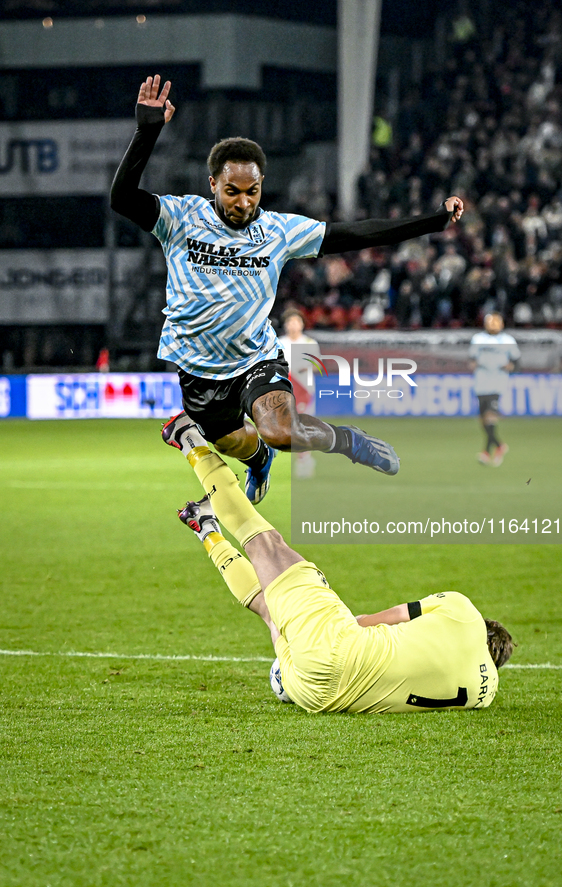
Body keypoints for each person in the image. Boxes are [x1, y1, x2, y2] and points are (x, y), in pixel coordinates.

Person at [111, 74, 464, 503]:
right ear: (212, 186)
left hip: (256, 358)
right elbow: (123, 198)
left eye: (253, 192)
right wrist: (146, 134)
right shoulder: (180, 218)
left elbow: (356, 235)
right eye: (232, 192)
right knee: (234, 445)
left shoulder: (279, 229)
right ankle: (258, 461)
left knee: (280, 431)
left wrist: (434, 220)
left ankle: (347, 441)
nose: (244, 202)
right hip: (198, 369)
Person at [164, 414, 514, 714]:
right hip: (313, 695)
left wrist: (338, 615)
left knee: (264, 541)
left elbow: (375, 620)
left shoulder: (465, 614)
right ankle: (205, 527)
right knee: (274, 610)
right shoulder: (485, 694)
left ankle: (186, 436)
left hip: (334, 650)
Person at [468, 313, 521, 466]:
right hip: (481, 381)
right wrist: (473, 363)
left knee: (490, 415)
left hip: (497, 381)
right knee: (483, 419)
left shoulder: (508, 341)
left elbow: (517, 361)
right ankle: (496, 447)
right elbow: (472, 358)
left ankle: (491, 449)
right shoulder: (478, 339)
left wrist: (512, 367)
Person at [277, 309, 320, 479]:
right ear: (286, 325)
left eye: (296, 321)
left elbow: (317, 366)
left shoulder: (310, 343)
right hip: (285, 390)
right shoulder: (280, 343)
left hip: (304, 390)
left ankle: (304, 460)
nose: (293, 325)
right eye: (290, 321)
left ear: (302, 324)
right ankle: (302, 458)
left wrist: (306, 367)